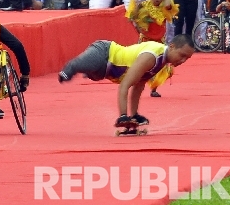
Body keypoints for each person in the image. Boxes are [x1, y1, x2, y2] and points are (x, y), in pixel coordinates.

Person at [58, 35, 195, 132]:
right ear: (171, 46)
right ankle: (69, 69)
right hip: (104, 53)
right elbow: (125, 84)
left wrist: (134, 115)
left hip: (105, 72)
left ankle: (85, 70)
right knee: (77, 66)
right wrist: (123, 115)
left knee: (93, 71)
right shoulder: (152, 56)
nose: (183, 61)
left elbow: (139, 85)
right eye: (182, 55)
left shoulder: (162, 61)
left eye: (187, 58)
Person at [126, 0, 178, 98]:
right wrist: (134, 2)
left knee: (161, 66)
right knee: (141, 66)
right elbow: (132, 18)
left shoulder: (166, 7)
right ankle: (133, 85)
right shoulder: (143, 6)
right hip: (146, 40)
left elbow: (172, 7)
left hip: (159, 41)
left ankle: (154, 88)